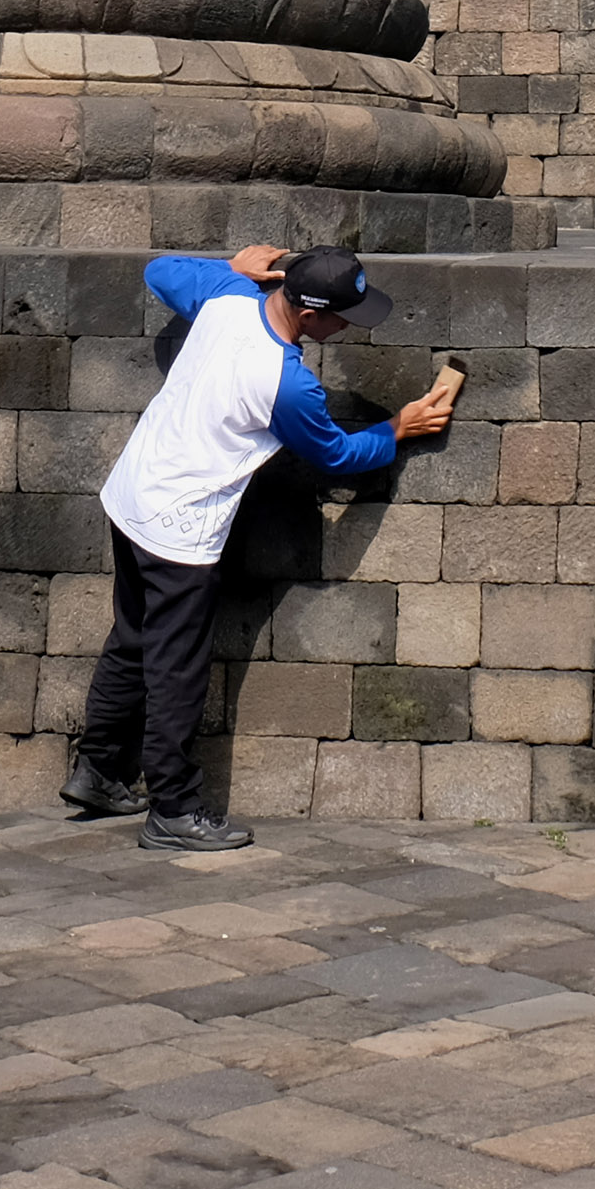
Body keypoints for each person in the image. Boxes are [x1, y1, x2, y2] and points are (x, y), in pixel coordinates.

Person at [66, 243, 459, 851]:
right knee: (176, 669)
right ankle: (173, 809)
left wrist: (230, 267)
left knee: (133, 638)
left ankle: (98, 771)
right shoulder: (286, 383)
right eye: (342, 318)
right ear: (309, 314)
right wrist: (396, 430)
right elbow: (336, 455)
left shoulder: (228, 296)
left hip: (132, 495)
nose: (347, 328)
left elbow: (159, 271)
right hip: (181, 531)